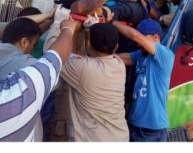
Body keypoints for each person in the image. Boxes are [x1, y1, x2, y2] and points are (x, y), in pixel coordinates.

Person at [44, 10, 129, 141]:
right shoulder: (119, 65)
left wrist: (59, 24)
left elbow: (52, 54)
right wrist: (92, 28)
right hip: (119, 137)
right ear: (116, 46)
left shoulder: (83, 69)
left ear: (88, 43)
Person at [0, 16, 80, 141]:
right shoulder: (27, 70)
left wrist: (51, 18)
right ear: (24, 42)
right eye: (34, 44)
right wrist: (67, 29)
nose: (32, 49)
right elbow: (56, 68)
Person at [112, 18, 175, 142]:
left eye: (143, 38)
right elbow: (120, 58)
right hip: (135, 124)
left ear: (156, 37)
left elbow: (135, 36)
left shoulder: (164, 55)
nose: (139, 44)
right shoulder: (141, 55)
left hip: (150, 129)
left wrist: (111, 22)